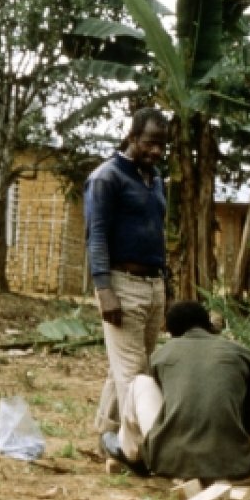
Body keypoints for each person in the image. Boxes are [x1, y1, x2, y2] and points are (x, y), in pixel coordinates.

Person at [103, 300, 250, 484]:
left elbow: (168, 403)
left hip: (169, 463)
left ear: (172, 332)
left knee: (141, 382)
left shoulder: (163, 354)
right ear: (208, 325)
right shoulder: (242, 353)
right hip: (233, 467)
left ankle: (131, 453)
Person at [85, 108, 171, 452]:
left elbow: (159, 234)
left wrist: (167, 284)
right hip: (122, 283)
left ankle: (107, 433)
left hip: (153, 285)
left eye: (163, 145)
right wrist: (104, 289)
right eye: (151, 143)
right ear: (132, 137)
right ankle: (135, 450)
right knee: (135, 375)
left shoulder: (155, 179)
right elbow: (96, 235)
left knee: (131, 366)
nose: (157, 152)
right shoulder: (106, 177)